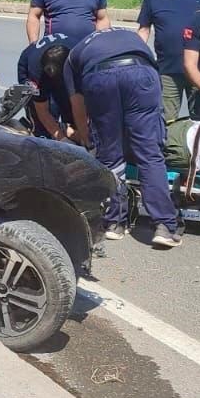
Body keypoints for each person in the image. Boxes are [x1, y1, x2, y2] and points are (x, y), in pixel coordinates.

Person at [65, 28, 181, 247]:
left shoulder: (72, 58)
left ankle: (114, 223)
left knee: (110, 156)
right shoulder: (129, 35)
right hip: (141, 72)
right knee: (149, 155)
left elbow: (77, 104)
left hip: (100, 77)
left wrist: (87, 138)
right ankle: (165, 226)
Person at [137, 0, 200, 122]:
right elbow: (144, 29)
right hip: (168, 70)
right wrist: (136, 54)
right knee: (166, 121)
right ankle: (168, 149)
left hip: (198, 69)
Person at [16, 32, 82, 142]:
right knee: (43, 123)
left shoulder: (81, 57)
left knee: (70, 107)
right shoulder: (36, 71)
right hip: (28, 65)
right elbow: (42, 111)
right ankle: (42, 135)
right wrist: (62, 140)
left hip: (64, 63)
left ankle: (67, 129)